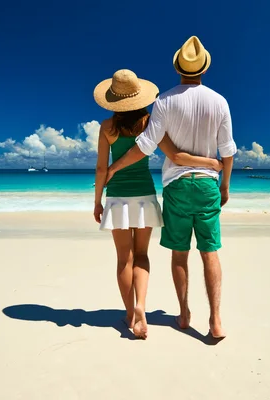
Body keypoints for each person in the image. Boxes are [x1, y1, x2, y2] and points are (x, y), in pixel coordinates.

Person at [106, 37, 237, 339]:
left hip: (177, 186)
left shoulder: (163, 101)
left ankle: (184, 313)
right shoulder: (219, 102)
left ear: (178, 67)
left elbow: (145, 147)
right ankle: (215, 320)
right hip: (207, 185)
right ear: (204, 68)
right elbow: (227, 151)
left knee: (180, 254)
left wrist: (114, 167)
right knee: (210, 253)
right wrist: (225, 185)